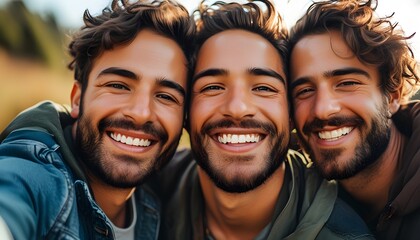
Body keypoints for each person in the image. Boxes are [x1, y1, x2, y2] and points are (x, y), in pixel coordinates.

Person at [154, 0, 374, 239]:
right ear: (186, 113)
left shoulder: (345, 234)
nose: (237, 108)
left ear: (291, 114)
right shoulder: (151, 191)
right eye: (213, 87)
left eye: (263, 88)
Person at [0, 0, 194, 239]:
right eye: (118, 85)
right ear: (77, 99)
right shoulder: (35, 174)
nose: (141, 112)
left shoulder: (169, 191)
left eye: (165, 96)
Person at [288, 0, 420, 239]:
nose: (322, 110)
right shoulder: (300, 203)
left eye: (347, 83)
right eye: (304, 90)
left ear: (393, 96)